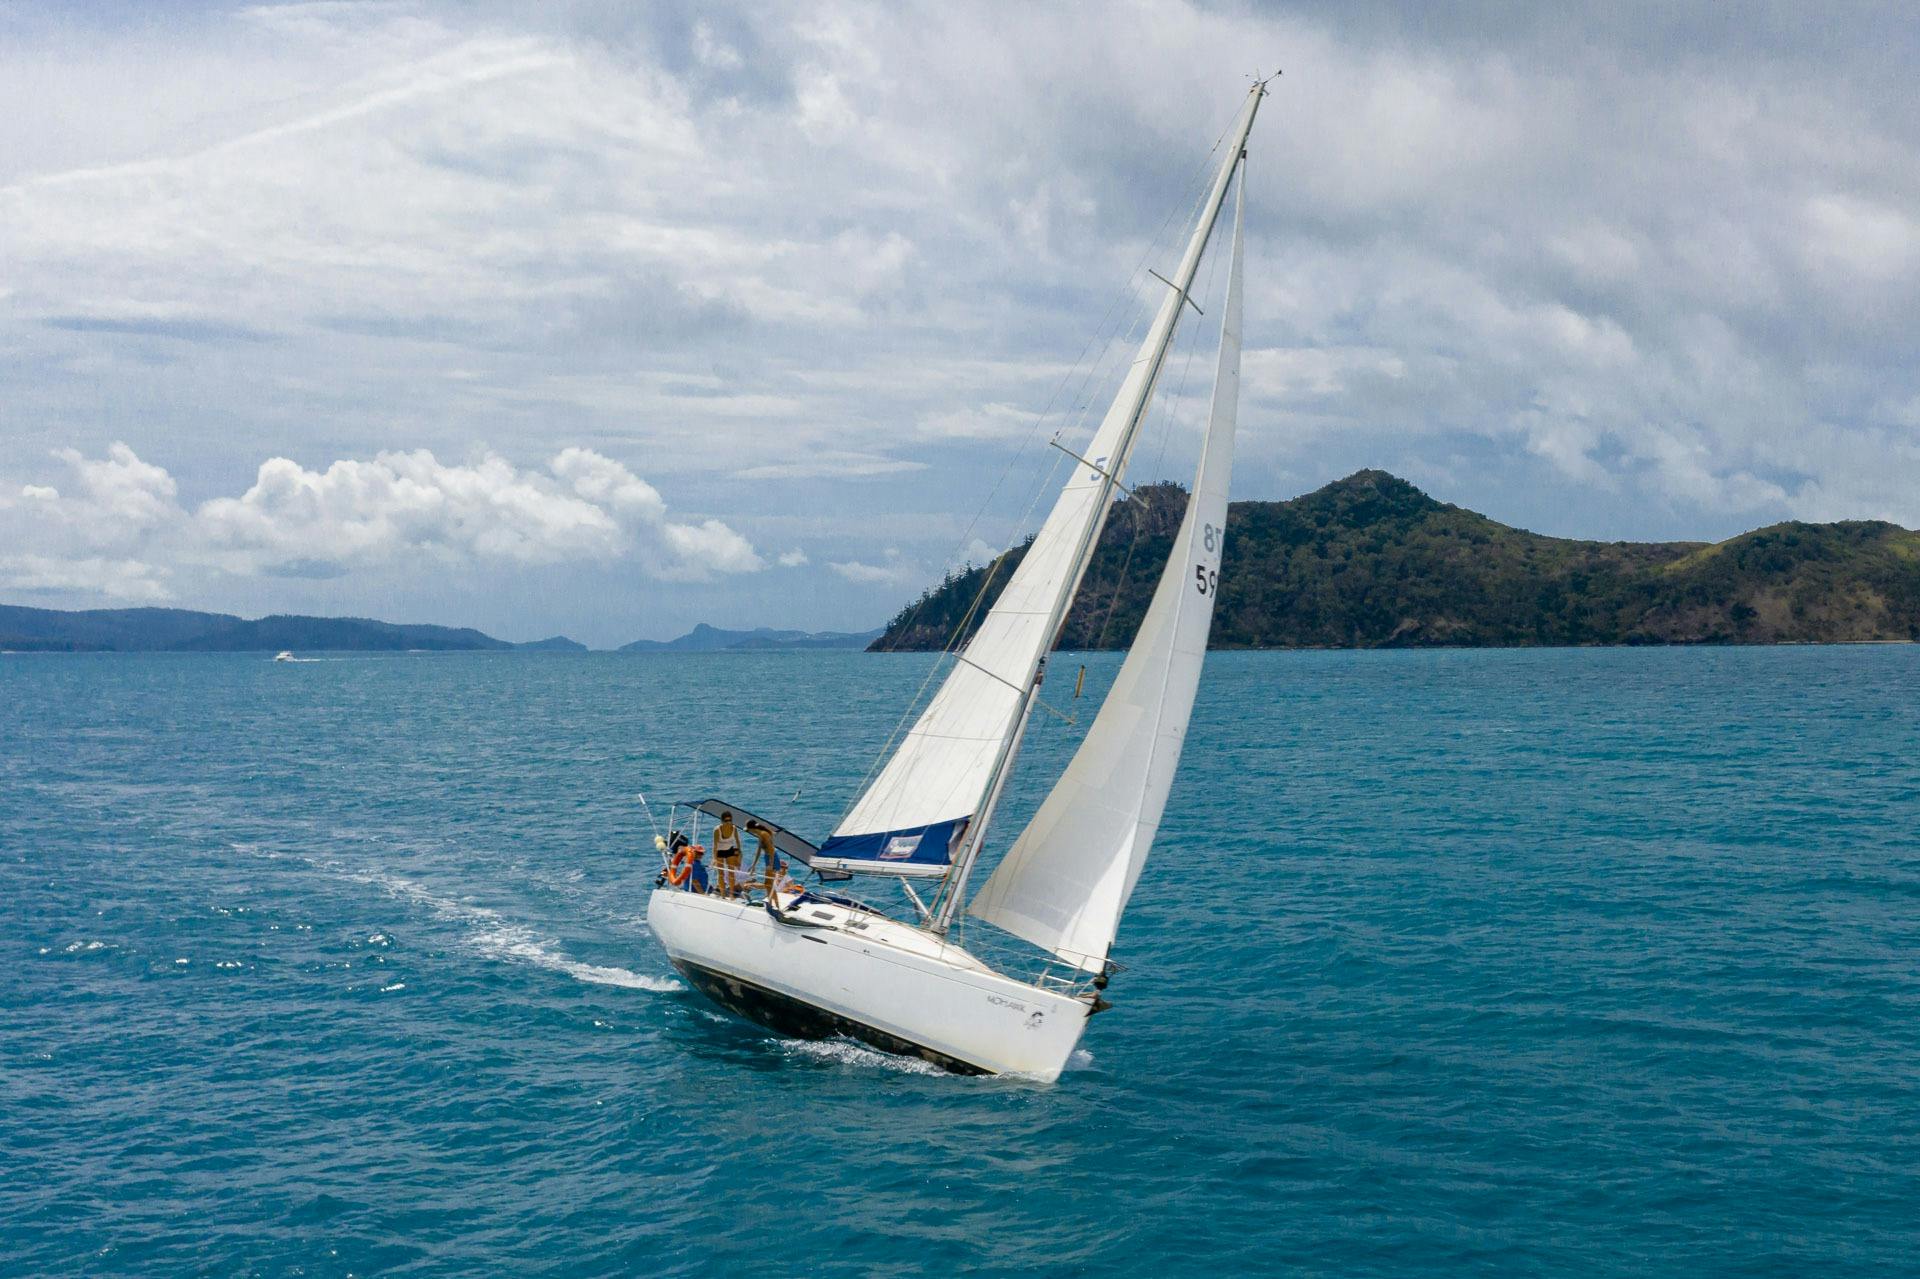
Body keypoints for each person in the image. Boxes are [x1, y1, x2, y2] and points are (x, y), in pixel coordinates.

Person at [744, 819, 781, 901]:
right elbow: (758, 851)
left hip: (772, 858)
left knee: (768, 884)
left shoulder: (764, 834)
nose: (749, 832)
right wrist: (753, 866)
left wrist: (770, 865)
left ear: (752, 828)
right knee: (768, 884)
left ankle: (771, 903)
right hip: (768, 858)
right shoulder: (760, 835)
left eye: (749, 830)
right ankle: (772, 904)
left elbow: (771, 850)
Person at [711, 811, 743, 899]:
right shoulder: (717, 830)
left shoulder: (734, 828)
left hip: (729, 850)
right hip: (720, 851)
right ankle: (722, 894)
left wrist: (739, 856)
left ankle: (731, 894)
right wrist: (714, 858)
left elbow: (738, 842)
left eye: (730, 820)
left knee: (731, 873)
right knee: (720, 874)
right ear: (722, 821)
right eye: (726, 820)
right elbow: (715, 845)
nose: (728, 822)